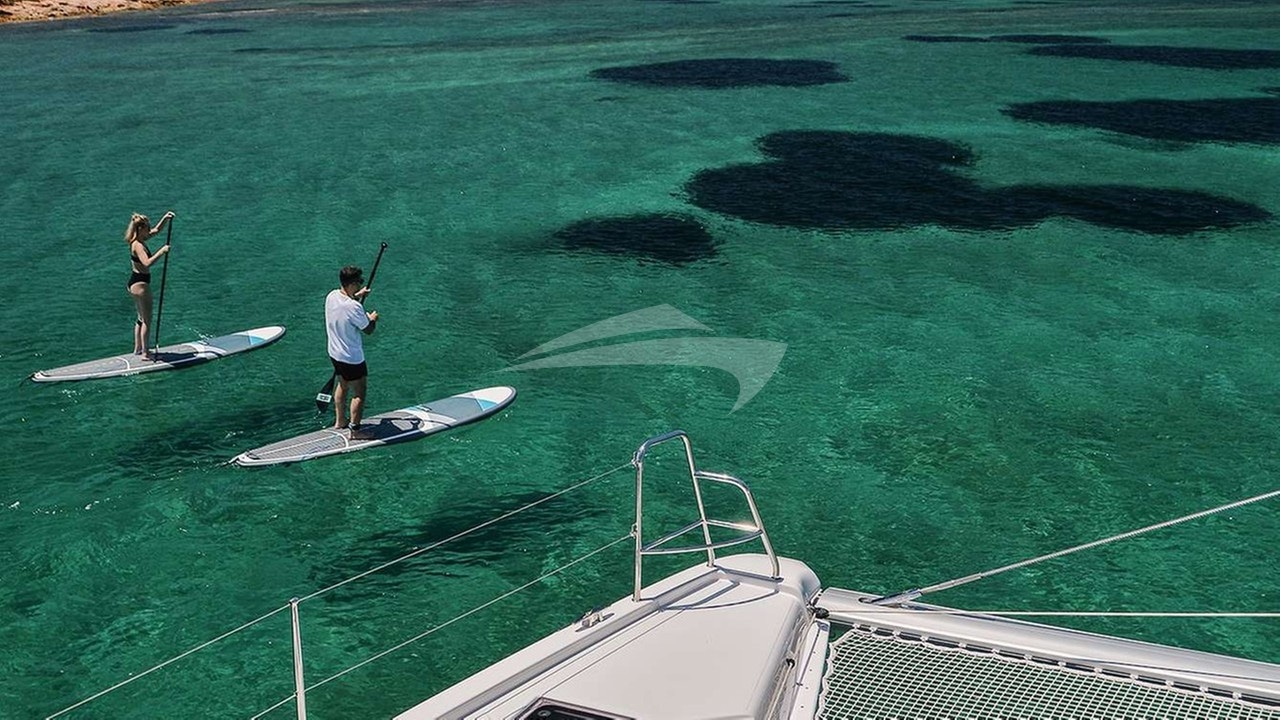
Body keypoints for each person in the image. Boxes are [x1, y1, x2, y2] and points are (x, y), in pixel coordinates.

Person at [325, 265, 379, 440]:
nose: (360, 284)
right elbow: (368, 329)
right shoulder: (354, 308)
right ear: (352, 283)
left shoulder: (331, 296)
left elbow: (344, 305)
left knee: (343, 383)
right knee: (359, 393)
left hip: (335, 354)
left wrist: (357, 296)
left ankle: (340, 421)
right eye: (359, 282)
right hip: (352, 358)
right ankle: (355, 431)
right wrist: (372, 319)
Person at [125, 211, 175, 358]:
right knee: (147, 320)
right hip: (141, 285)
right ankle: (146, 354)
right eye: (147, 227)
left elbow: (157, 231)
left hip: (134, 283)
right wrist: (162, 251)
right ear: (140, 229)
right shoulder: (138, 246)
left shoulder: (137, 239)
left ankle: (138, 349)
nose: (149, 230)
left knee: (140, 318)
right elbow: (147, 263)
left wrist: (165, 219)